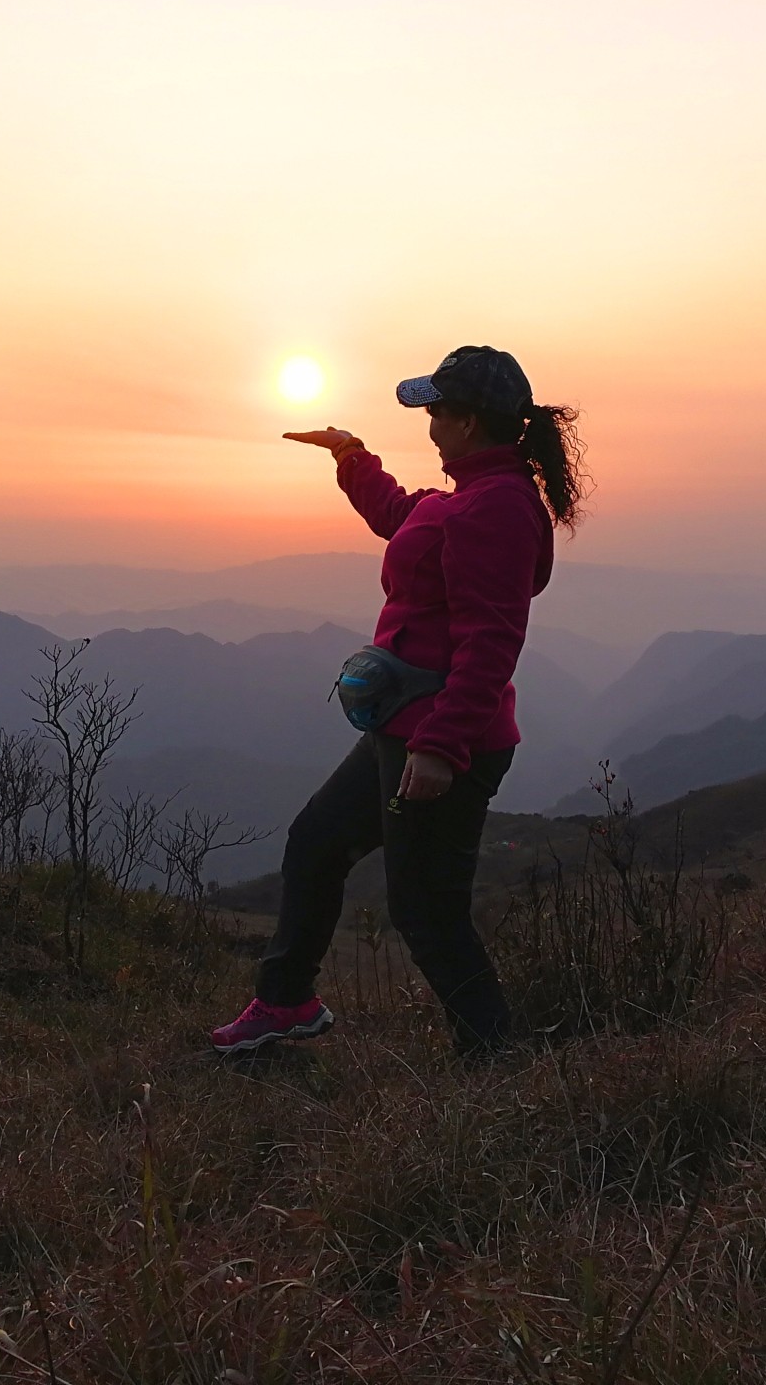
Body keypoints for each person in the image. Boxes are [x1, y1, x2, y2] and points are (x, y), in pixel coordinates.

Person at [211, 345, 589, 1057]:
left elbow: (492, 640)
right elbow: (402, 518)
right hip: (404, 729)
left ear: (468, 421)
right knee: (317, 843)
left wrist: (442, 748)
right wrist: (352, 457)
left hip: (443, 740)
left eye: (435, 411)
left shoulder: (498, 510)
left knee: (427, 913)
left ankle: (498, 1062)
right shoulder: (466, 498)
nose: (428, 424)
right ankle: (286, 1002)